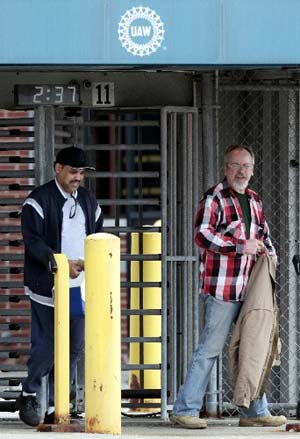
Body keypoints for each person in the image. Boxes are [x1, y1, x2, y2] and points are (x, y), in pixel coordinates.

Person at [170, 144, 286, 429]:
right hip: (222, 289)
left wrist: (270, 253)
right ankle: (185, 409)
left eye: (246, 166)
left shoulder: (255, 200)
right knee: (209, 349)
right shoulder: (214, 197)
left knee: (253, 348)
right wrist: (240, 246)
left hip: (251, 291)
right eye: (235, 165)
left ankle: (254, 412)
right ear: (225, 168)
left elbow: (264, 234)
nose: (241, 171)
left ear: (253, 170)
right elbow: (202, 235)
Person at [16, 146, 103, 426]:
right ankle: (29, 392)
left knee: (73, 347)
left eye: (81, 173)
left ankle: (60, 405)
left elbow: (98, 236)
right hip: (47, 287)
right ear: (57, 169)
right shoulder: (37, 201)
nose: (77, 177)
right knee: (47, 345)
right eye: (72, 171)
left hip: (80, 287)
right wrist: (61, 264)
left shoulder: (89, 201)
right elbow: (33, 242)